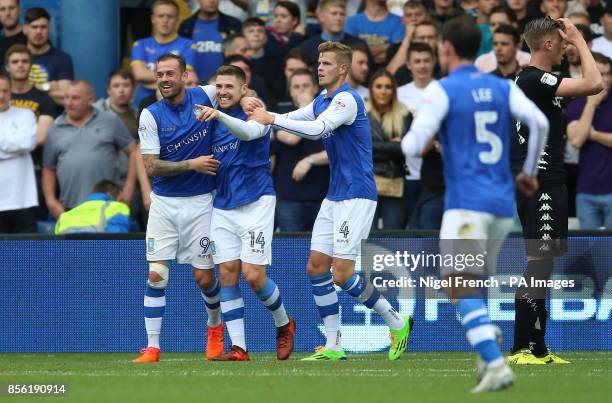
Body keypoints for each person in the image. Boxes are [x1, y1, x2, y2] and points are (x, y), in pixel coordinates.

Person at [401, 16, 549, 392]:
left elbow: (413, 147)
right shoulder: (502, 86)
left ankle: (496, 363)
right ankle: (486, 345)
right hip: (502, 207)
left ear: (445, 48)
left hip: (466, 207)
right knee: (465, 287)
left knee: (459, 288)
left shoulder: (442, 90)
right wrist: (529, 171)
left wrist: (421, 128)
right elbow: (540, 124)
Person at [249, 41, 413, 361]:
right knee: (316, 267)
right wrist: (262, 115)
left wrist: (269, 118)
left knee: (341, 274)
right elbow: (293, 116)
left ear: (342, 68)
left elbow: (315, 130)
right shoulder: (322, 99)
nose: (319, 67)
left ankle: (396, 320)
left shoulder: (347, 100)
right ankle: (335, 344)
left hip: (357, 194)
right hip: (335, 194)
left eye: (326, 63)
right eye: (319, 62)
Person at [509, 17, 604, 365]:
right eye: (560, 43)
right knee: (537, 264)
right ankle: (522, 347)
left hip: (548, 183)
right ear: (548, 44)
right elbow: (596, 83)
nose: (565, 49)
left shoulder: (534, 81)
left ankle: (537, 347)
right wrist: (579, 38)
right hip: (541, 184)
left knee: (543, 265)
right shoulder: (535, 79)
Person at [194, 65, 295, 361]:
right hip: (223, 206)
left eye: (230, 87)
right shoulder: (211, 119)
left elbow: (250, 134)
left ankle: (284, 323)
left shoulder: (256, 112)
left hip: (257, 202)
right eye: (219, 87)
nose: (223, 91)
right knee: (226, 275)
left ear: (243, 89)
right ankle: (239, 347)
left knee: (253, 276)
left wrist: (221, 114)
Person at [132, 53, 223, 363]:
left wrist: (251, 102)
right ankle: (153, 347)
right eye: (159, 74)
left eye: (170, 73)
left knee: (205, 278)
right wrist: (191, 164)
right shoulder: (150, 114)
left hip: (201, 204)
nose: (164, 79)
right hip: (164, 205)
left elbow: (238, 89)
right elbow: (151, 166)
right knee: (156, 274)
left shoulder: (206, 95)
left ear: (185, 76)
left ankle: (214, 326)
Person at [42, 80, 137, 217]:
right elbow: (48, 168)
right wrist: (51, 201)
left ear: (90, 99)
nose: (69, 103)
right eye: (66, 97)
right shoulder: (55, 130)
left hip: (109, 205)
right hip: (70, 209)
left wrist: (128, 189)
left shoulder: (110, 120)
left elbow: (133, 151)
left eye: (75, 98)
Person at [271, 68, 328, 231]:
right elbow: (291, 138)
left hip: (323, 197)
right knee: (292, 252)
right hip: (289, 198)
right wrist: (305, 108)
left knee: (322, 253)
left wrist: (310, 160)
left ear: (316, 88)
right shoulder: (280, 114)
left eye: (306, 85)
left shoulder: (329, 114)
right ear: (289, 90)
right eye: (296, 87)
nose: (301, 90)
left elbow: (338, 152)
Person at [5, 44, 57, 220]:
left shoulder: (44, 99)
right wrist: (22, 138)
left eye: (25, 61)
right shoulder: (2, 97)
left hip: (35, 170)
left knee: (30, 224)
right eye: (15, 61)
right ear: (7, 66)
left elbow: (39, 138)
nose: (20, 65)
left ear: (31, 66)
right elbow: (28, 138)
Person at [566, 52, 612, 229]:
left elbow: (582, 136)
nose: (605, 79)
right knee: (591, 251)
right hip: (587, 190)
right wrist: (591, 104)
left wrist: (593, 135)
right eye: (600, 74)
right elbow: (576, 140)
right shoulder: (576, 105)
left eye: (608, 74)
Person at [367, 69, 412, 230]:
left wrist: (374, 146)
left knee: (394, 239)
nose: (383, 91)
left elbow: (404, 148)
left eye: (388, 87)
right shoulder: (361, 113)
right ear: (371, 89)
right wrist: (390, 145)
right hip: (367, 183)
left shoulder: (404, 113)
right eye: (378, 86)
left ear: (393, 90)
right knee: (366, 238)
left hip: (394, 183)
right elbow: (360, 147)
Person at [131, 0, 196, 108]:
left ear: (177, 19)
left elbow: (185, 78)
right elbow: (139, 74)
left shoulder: (188, 45)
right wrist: (171, 78)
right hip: (141, 104)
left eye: (170, 16)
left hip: (176, 106)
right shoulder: (140, 44)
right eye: (161, 16)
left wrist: (148, 82)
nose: (165, 20)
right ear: (153, 19)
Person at [0, 72, 38, 233]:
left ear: (11, 91)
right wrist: (14, 147)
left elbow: (28, 143)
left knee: (25, 256)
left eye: (5, 91)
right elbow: (20, 144)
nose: (1, 95)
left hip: (23, 199)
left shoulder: (26, 115)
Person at [178, 0, 242, 83]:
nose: (212, 1)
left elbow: (241, 57)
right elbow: (181, 57)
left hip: (226, 84)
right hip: (193, 84)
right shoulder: (186, 26)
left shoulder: (233, 24)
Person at [298, 0, 371, 70]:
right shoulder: (306, 47)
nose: (338, 18)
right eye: (334, 13)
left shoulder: (359, 45)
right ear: (321, 17)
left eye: (342, 14)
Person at [23, 7, 73, 106]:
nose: (38, 31)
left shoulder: (62, 58)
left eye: (43, 27)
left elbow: (67, 99)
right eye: (34, 27)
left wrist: (32, 88)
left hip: (54, 118)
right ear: (25, 29)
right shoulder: (16, 57)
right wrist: (49, 86)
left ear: (49, 29)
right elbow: (9, 92)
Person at [54, 180, 130, 234]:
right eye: (121, 198)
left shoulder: (65, 215)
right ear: (110, 194)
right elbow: (118, 239)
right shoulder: (117, 207)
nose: (122, 202)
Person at [345, 0, 405, 67]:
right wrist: (388, 47)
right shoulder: (351, 22)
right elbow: (349, 54)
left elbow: (397, 53)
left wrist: (363, 53)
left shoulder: (400, 21)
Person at [0, 0, 27, 66]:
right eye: (2, 9)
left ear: (20, 10)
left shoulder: (32, 39)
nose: (7, 13)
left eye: (11, 8)